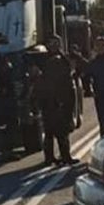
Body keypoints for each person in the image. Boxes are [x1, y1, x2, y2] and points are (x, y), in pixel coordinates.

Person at [35, 34, 77, 166]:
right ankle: (57, 157)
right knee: (56, 130)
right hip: (54, 100)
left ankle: (58, 157)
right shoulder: (51, 60)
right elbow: (54, 82)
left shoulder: (61, 58)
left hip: (58, 98)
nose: (55, 46)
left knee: (58, 130)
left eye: (57, 43)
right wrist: (58, 99)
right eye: (52, 43)